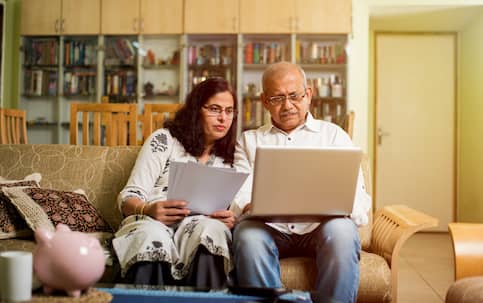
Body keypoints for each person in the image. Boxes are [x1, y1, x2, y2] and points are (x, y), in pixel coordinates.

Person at [231, 62, 371, 303]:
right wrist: (247, 206)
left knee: (343, 231)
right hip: (269, 228)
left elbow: (357, 198)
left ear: (308, 95)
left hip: (321, 227)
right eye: (277, 98)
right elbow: (238, 194)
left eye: (294, 96)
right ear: (264, 101)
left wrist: (341, 209)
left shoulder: (334, 136)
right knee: (247, 235)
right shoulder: (249, 141)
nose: (287, 105)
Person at [113, 77, 238, 288]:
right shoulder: (165, 140)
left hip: (198, 226)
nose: (222, 118)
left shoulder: (232, 155)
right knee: (150, 235)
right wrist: (147, 209)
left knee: (213, 230)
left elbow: (236, 207)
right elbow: (128, 196)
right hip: (153, 221)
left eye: (229, 111)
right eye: (215, 109)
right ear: (196, 109)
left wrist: (230, 217)